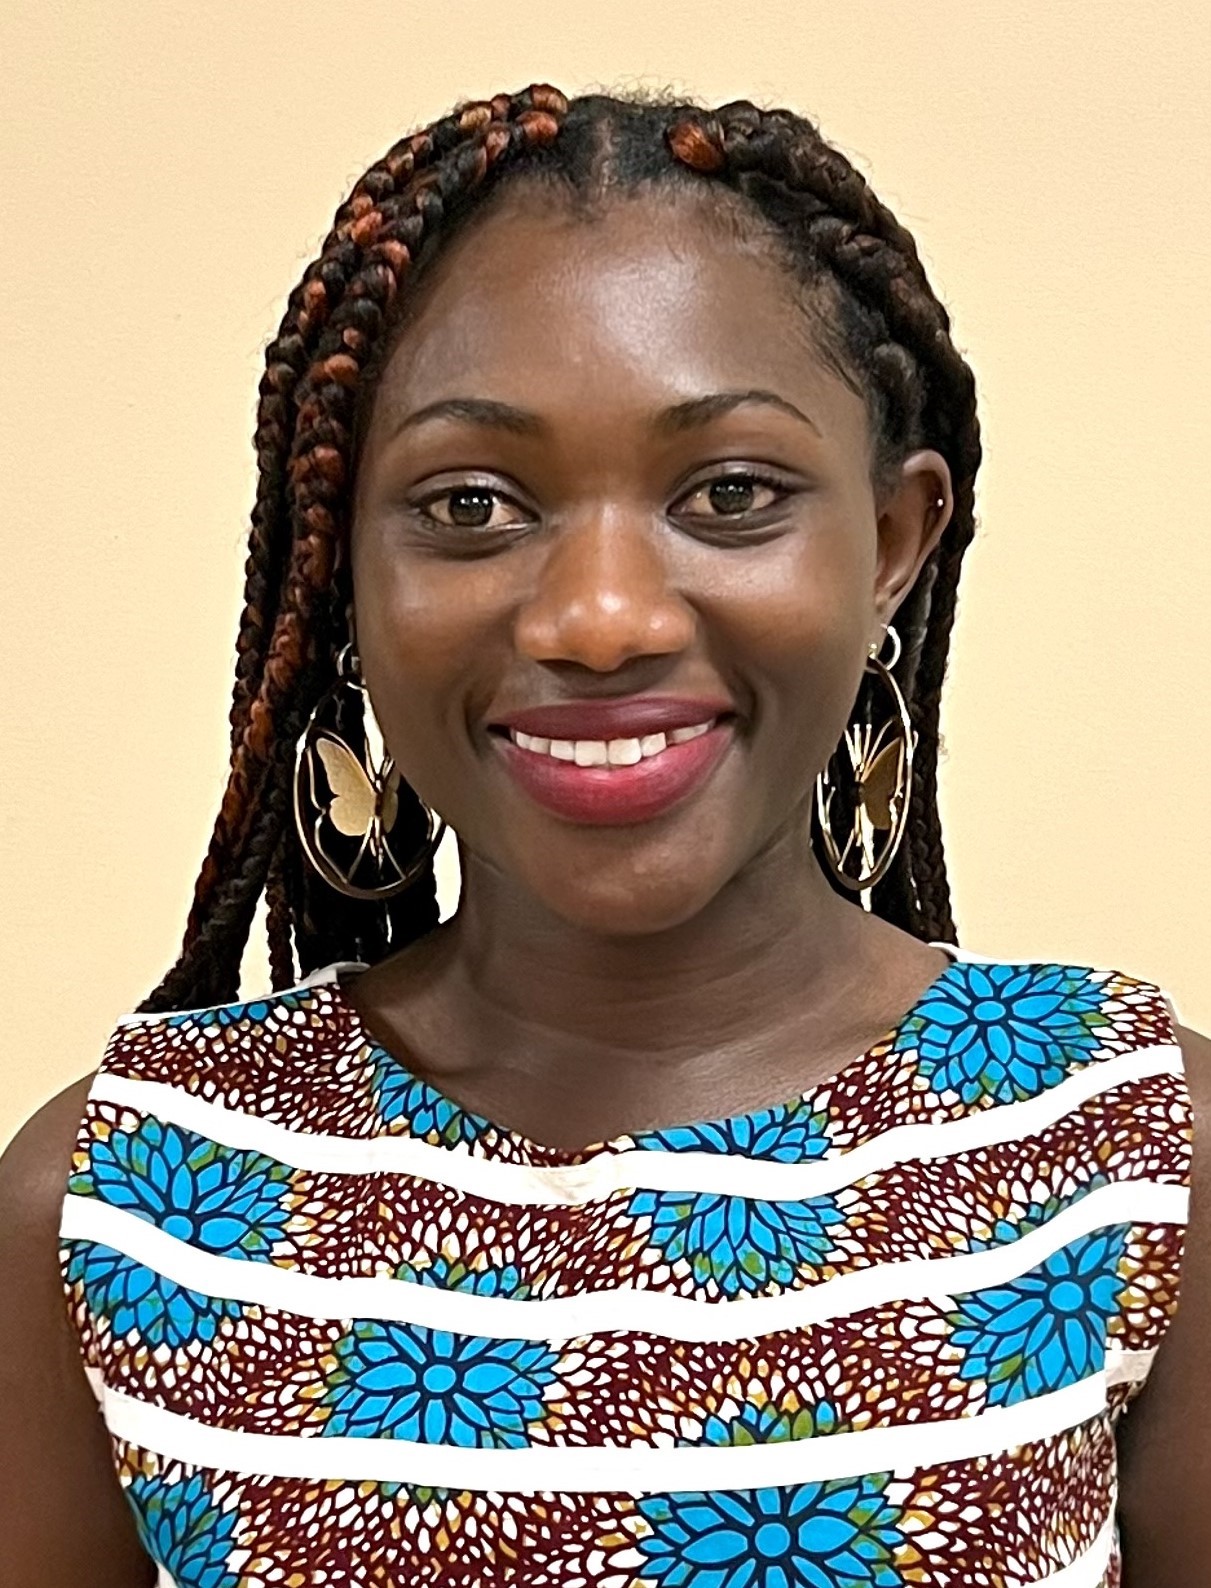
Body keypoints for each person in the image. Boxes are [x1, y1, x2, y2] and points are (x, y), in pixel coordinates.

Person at [0, 82, 1205, 1588]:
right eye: (471, 507)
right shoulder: (115, 1199)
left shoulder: (1133, 1149)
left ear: (896, 542)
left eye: (732, 493)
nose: (601, 617)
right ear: (341, 569)